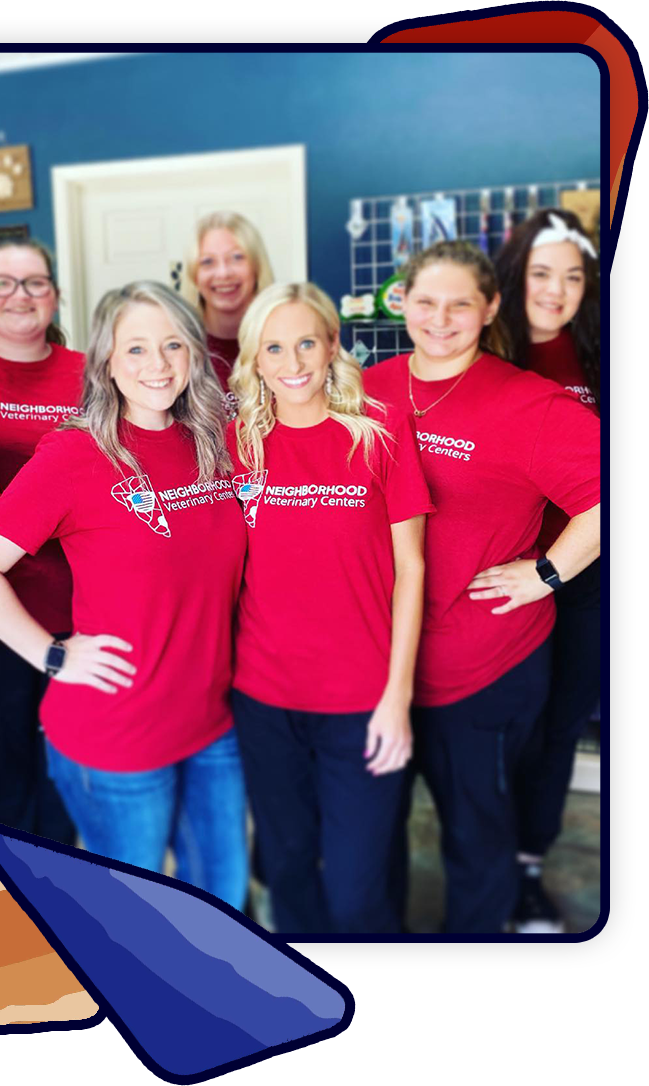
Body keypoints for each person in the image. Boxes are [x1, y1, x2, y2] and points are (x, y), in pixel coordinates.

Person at [0, 282, 248, 908]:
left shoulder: (218, 444)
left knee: (221, 899)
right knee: (136, 919)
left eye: (172, 344)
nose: (157, 364)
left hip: (213, 722)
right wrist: (52, 655)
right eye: (134, 348)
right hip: (117, 734)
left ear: (194, 352)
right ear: (106, 361)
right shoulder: (75, 453)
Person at [363, 240, 600, 934]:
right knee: (372, 840)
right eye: (425, 301)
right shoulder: (364, 388)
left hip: (483, 667)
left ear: (490, 307)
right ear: (401, 301)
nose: (439, 319)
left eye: (459, 303)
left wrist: (547, 573)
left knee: (477, 838)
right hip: (378, 663)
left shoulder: (530, 404)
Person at [227, 282, 434, 934]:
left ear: (332, 346)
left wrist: (396, 698)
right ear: (254, 361)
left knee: (356, 892)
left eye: (306, 343)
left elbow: (412, 567)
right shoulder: (237, 445)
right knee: (286, 871)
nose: (292, 363)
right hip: (264, 698)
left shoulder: (379, 432)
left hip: (360, 703)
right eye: (274, 348)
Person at [0, 235, 83, 846]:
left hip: (78, 614)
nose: (19, 296)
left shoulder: (93, 374)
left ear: (54, 296)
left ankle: (66, 913)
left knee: (67, 785)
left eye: (34, 283)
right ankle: (14, 917)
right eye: (2, 282)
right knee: (3, 787)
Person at [494, 209, 601, 933]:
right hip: (498, 576)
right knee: (508, 730)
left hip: (581, 575)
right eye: (540, 273)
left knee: (560, 723)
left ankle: (528, 867)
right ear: (513, 274)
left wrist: (553, 573)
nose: (555, 290)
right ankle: (488, 867)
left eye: (572, 276)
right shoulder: (485, 349)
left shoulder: (596, 356)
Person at [181, 211, 274, 406]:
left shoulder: (286, 337)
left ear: (257, 266)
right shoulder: (179, 345)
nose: (223, 273)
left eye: (237, 257)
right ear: (193, 275)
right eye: (207, 261)